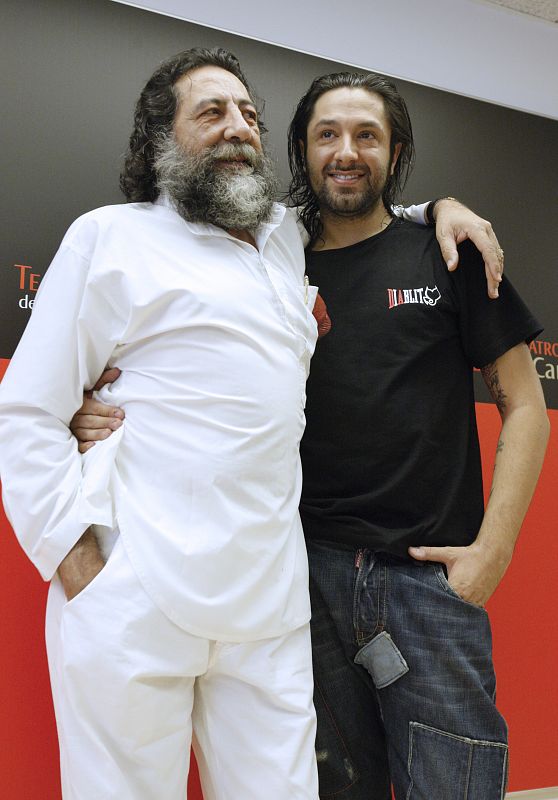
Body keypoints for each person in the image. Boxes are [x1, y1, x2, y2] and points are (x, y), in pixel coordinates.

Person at [0, 47, 508, 800]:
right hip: (136, 589)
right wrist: (76, 563)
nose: (239, 127)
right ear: (160, 140)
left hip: (268, 603)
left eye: (249, 115)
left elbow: (362, 203)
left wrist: (440, 208)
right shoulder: (109, 238)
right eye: (211, 113)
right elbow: (28, 411)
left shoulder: (278, 237)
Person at [289, 72, 549, 798]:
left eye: (366, 135)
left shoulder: (449, 254)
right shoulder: (274, 264)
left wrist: (494, 550)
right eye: (327, 135)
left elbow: (525, 405)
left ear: (394, 151)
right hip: (305, 581)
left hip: (428, 586)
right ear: (303, 150)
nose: (347, 152)